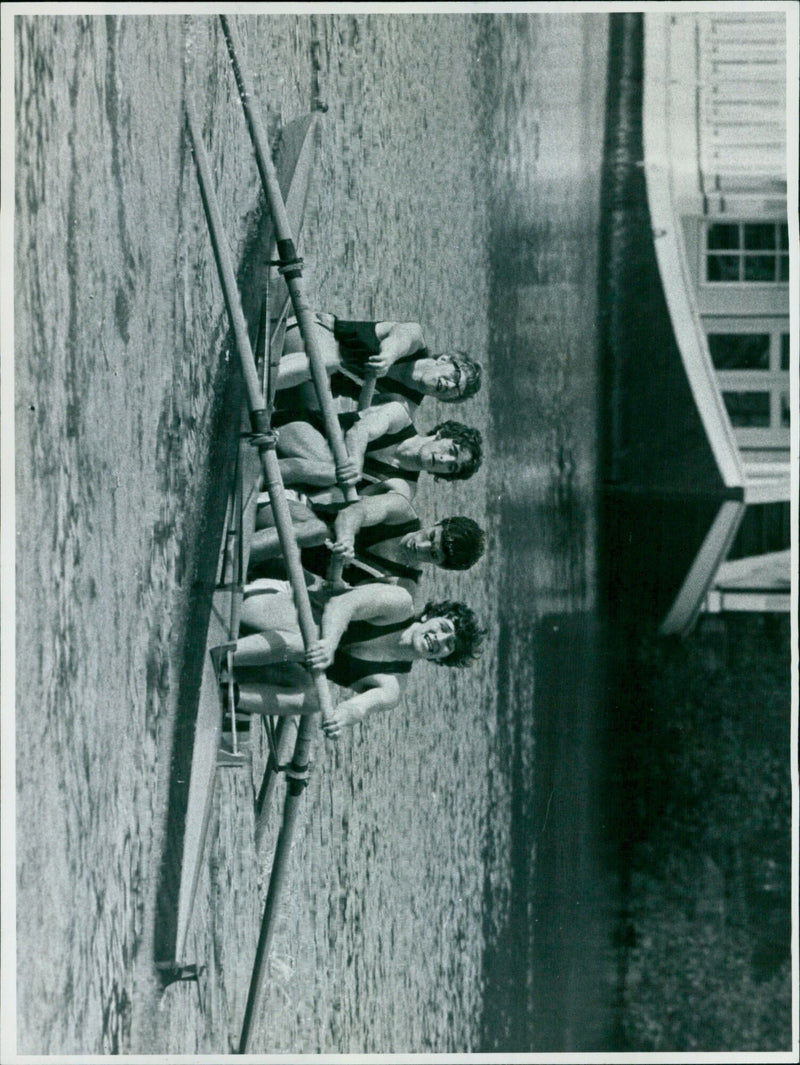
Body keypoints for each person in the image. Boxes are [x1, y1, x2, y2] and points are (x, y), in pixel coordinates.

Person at [222, 579, 485, 740]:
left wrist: (341, 719)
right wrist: (329, 644)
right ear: (432, 616)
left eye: (448, 646)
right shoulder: (399, 604)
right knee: (308, 643)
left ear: (441, 659)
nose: (438, 639)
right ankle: (221, 657)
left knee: (314, 700)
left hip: (283, 653)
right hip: (277, 602)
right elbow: (343, 605)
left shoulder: (392, 686)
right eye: (444, 628)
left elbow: (361, 707)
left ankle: (227, 695)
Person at [248, 489, 486, 595]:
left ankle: (242, 561)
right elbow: (354, 514)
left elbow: (344, 597)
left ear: (440, 566)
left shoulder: (402, 586)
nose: (420, 546)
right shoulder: (400, 510)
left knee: (310, 585)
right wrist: (347, 538)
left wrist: (338, 579)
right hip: (289, 518)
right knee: (320, 531)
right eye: (430, 537)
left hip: (295, 569)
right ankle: (234, 555)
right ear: (437, 523)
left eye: (432, 554)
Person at [272, 398, 482, 502]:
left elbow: (358, 503)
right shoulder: (399, 415)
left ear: (443, 475)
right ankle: (262, 477)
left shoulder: (405, 488)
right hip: (302, 428)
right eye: (451, 450)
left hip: (307, 481)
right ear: (442, 434)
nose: (443, 459)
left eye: (450, 467)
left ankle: (268, 486)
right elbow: (359, 431)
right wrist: (355, 462)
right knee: (332, 470)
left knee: (334, 492)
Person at [275, 312, 482, 411]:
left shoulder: (404, 405)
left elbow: (363, 417)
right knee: (330, 361)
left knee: (325, 419)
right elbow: (400, 339)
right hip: (310, 334)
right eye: (455, 375)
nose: (449, 384)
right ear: (444, 359)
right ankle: (257, 380)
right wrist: (387, 357)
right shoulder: (415, 338)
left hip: (316, 384)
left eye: (455, 390)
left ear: (443, 399)